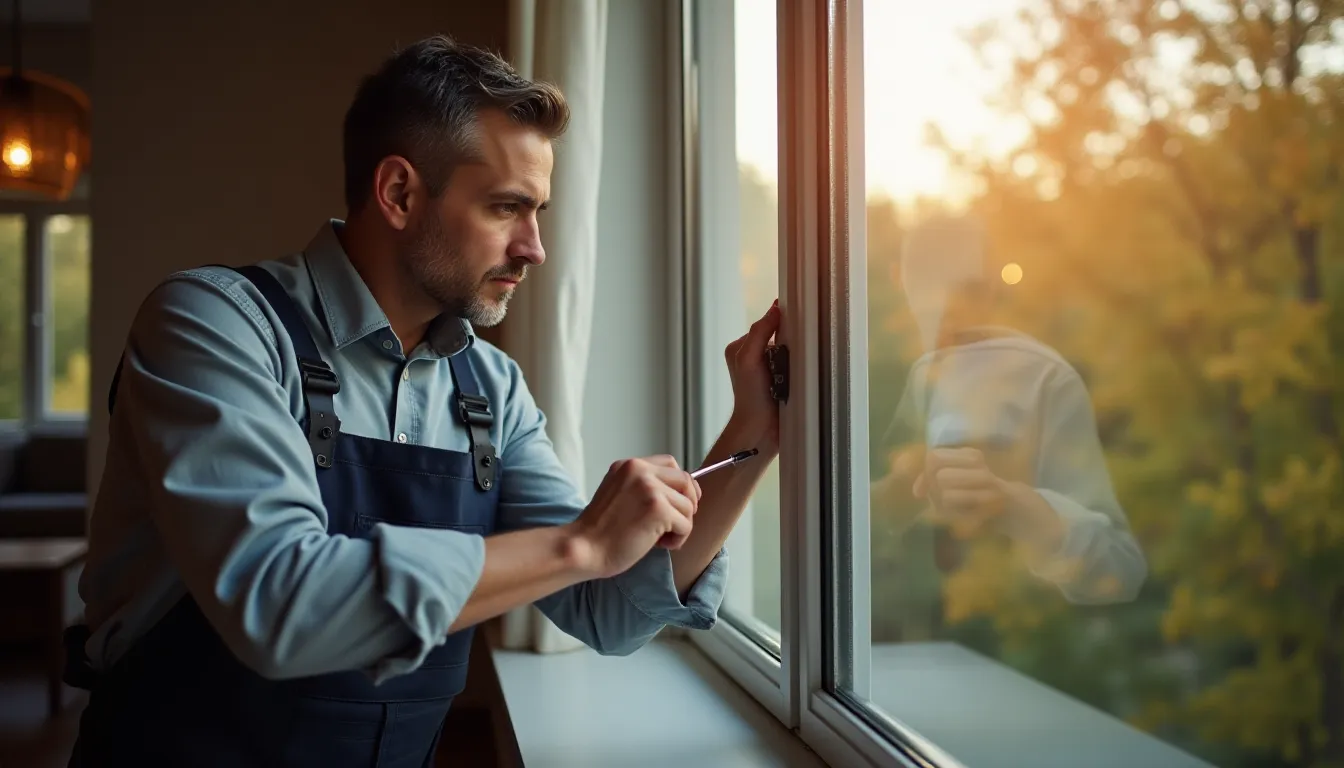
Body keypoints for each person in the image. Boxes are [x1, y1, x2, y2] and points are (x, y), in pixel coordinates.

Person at [64, 36, 780, 767]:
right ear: (400, 194)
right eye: (507, 208)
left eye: (538, 211)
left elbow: (609, 609)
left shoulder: (492, 389)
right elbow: (281, 607)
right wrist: (582, 542)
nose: (534, 247)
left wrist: (753, 430)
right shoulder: (214, 324)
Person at [869, 219, 1146, 640]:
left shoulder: (1046, 380)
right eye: (929, 286)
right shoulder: (918, 377)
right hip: (905, 648)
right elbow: (879, 519)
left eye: (969, 289)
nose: (949, 307)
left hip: (1028, 645)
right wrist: (899, 492)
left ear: (994, 289)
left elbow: (1121, 569)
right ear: (901, 282)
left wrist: (1013, 505)